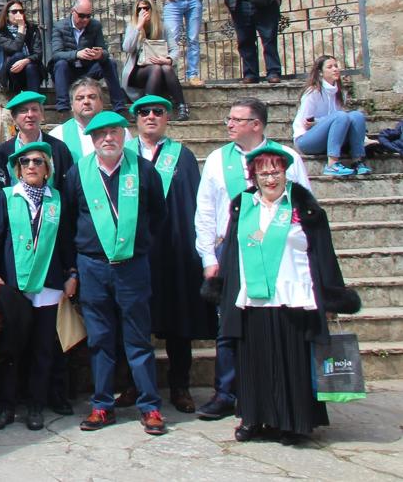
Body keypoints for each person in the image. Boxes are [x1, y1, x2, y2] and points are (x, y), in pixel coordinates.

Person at [212, 143, 360, 443]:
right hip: (253, 297)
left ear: (285, 173)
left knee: (291, 361)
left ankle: (293, 422)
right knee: (254, 362)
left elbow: (323, 252)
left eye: (275, 172)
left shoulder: (302, 206)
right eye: (263, 173)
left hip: (293, 294)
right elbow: (231, 250)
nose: (270, 179)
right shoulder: (243, 205)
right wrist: (223, 288)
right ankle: (253, 418)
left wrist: (330, 295)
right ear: (253, 175)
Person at [193, 97, 310, 421]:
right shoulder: (218, 159)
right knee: (229, 324)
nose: (228, 124)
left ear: (255, 125)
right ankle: (226, 392)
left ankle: (271, 391)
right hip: (230, 251)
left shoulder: (288, 159)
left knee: (274, 324)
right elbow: (205, 211)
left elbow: (304, 206)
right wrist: (207, 256)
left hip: (278, 253)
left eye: (235, 119)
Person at [60, 111, 167, 435]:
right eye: (100, 133)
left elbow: (158, 216)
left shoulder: (144, 170)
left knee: (137, 339)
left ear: (124, 135)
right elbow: (67, 221)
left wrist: (139, 245)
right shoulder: (78, 173)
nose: (108, 138)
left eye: (114, 132)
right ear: (92, 139)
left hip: (132, 267)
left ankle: (150, 407)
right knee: (100, 340)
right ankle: (102, 405)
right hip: (92, 268)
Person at [119, 95, 217, 415]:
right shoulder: (124, 154)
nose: (150, 117)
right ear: (135, 118)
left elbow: (193, 204)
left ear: (167, 117)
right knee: (135, 322)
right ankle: (134, 384)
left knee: (178, 321)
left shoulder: (182, 156)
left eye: (157, 112)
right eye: (143, 112)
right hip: (135, 251)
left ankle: (180, 385)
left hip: (174, 250)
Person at [0, 140, 75, 432]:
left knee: (43, 350)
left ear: (47, 169)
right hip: (15, 285)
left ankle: (36, 405)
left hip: (48, 287)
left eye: (37, 162)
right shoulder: (8, 196)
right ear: (18, 169)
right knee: (10, 348)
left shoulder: (57, 200)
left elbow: (66, 241)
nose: (31, 166)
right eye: (25, 162)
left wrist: (72, 273)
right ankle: (6, 406)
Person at [293, 54, 371, 176]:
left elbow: (339, 123)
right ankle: (332, 165)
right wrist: (322, 122)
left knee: (357, 115)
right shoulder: (313, 92)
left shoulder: (340, 93)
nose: (335, 69)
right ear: (320, 73)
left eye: (336, 66)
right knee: (341, 116)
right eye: (330, 67)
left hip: (329, 138)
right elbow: (306, 123)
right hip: (306, 140)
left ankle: (357, 161)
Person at [49, 0, 128, 112]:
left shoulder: (95, 25)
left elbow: (104, 52)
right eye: (81, 16)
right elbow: (56, 54)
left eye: (88, 16)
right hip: (68, 71)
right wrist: (77, 54)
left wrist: (99, 55)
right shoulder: (59, 26)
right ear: (73, 11)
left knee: (110, 63)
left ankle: (119, 105)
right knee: (61, 64)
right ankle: (63, 107)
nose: (85, 19)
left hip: (88, 69)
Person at [0, 91, 74, 194]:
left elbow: (69, 188)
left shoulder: (58, 148)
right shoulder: (2, 152)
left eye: (34, 109)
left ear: (42, 115)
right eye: (23, 110)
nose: (30, 115)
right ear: (14, 117)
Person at [120, 0, 189, 120]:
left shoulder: (162, 27)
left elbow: (174, 49)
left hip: (160, 70)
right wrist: (139, 26)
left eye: (145, 8)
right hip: (138, 71)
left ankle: (182, 106)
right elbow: (127, 48)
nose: (142, 11)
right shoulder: (133, 26)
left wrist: (168, 60)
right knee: (156, 68)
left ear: (152, 10)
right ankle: (145, 107)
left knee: (166, 68)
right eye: (139, 9)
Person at [49, 77, 126, 162]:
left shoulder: (120, 130)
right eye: (80, 98)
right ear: (71, 105)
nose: (86, 102)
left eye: (92, 97)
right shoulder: (58, 135)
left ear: (101, 103)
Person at [0, 0, 43, 96]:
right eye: (14, 11)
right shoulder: (1, 32)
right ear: (7, 15)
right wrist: (21, 29)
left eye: (21, 11)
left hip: (31, 68)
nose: (19, 14)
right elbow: (14, 48)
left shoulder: (33, 29)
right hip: (12, 71)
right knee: (18, 55)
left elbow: (38, 53)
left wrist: (26, 61)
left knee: (30, 66)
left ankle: (34, 101)